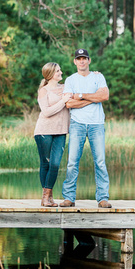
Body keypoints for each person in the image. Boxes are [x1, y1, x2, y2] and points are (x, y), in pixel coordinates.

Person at [60, 48, 112, 209]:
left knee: (100, 162)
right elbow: (69, 103)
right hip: (77, 124)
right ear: (75, 61)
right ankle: (69, 198)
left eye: (84, 58)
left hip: (96, 124)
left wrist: (81, 95)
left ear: (89, 61)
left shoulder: (98, 77)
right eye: (79, 58)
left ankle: (103, 198)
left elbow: (104, 96)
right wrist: (93, 97)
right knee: (72, 162)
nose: (82, 61)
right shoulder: (70, 80)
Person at [34, 62, 72, 207]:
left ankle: (47, 197)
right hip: (44, 131)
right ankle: (46, 198)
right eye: (57, 71)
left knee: (55, 164)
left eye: (60, 70)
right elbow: (47, 112)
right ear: (50, 75)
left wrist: (95, 75)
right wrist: (63, 100)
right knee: (46, 163)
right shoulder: (43, 91)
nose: (61, 72)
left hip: (61, 131)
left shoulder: (65, 88)